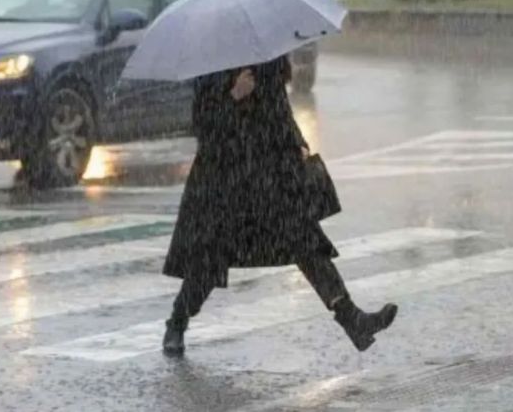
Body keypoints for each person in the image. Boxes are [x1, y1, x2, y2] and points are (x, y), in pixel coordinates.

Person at [161, 55, 398, 356]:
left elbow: (279, 109)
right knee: (209, 258)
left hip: (270, 175)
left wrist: (296, 140)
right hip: (224, 181)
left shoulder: (266, 57)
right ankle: (177, 322)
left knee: (306, 244)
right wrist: (234, 96)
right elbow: (205, 129)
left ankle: (353, 320)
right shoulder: (212, 63)